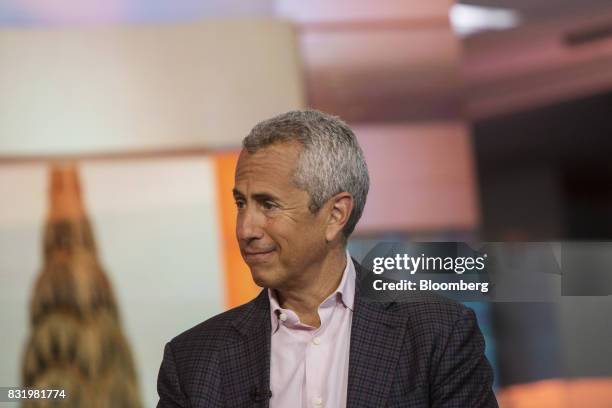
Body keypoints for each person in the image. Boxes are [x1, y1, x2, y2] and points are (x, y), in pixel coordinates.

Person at [156, 109, 498, 407]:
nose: (246, 229)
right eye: (241, 204)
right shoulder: (193, 360)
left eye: (268, 205)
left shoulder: (437, 335)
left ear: (335, 215)